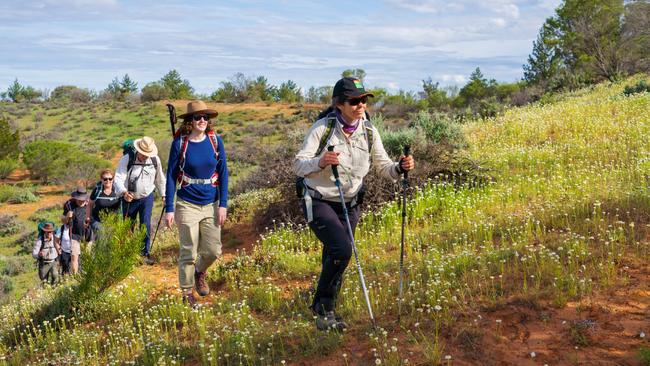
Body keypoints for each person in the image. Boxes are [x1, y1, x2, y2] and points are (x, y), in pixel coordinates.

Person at [294, 77, 415, 331]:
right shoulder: (322, 128)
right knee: (342, 250)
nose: (360, 105)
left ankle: (326, 310)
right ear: (339, 104)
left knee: (336, 254)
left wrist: (399, 167)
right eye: (354, 101)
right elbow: (298, 165)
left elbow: (384, 166)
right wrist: (321, 161)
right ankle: (321, 307)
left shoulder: (370, 131)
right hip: (319, 200)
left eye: (363, 100)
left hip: (350, 202)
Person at [164, 100, 229, 308]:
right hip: (186, 203)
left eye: (205, 117)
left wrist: (223, 204)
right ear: (189, 121)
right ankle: (187, 293)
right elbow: (171, 177)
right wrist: (170, 208)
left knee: (213, 250)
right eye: (197, 117)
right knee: (188, 250)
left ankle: (199, 273)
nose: (202, 120)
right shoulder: (179, 144)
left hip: (211, 202)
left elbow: (224, 174)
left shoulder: (215, 141)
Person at [114, 136, 166, 265]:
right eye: (143, 153)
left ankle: (144, 254)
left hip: (146, 197)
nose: (145, 156)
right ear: (138, 150)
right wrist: (123, 192)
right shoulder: (127, 159)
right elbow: (118, 178)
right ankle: (129, 255)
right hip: (129, 198)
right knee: (128, 227)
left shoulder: (155, 160)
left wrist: (164, 195)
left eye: (147, 153)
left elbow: (160, 179)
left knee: (145, 225)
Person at [62, 186, 92, 274]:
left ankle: (87, 275)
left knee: (87, 256)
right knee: (74, 257)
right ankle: (75, 277)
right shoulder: (69, 205)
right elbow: (63, 220)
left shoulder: (90, 205)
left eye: (83, 200)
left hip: (88, 235)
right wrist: (67, 216)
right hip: (74, 235)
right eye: (79, 199)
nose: (81, 201)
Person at [88, 169, 122, 235]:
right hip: (97, 221)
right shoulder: (97, 190)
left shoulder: (118, 190)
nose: (108, 181)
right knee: (102, 234)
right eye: (105, 179)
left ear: (113, 179)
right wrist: (88, 217)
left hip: (114, 222)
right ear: (101, 179)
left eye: (110, 179)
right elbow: (90, 204)